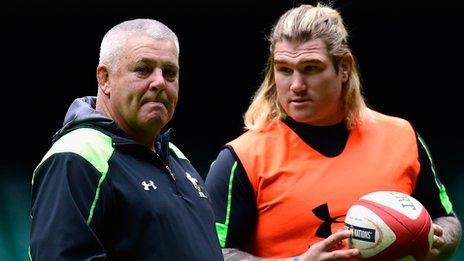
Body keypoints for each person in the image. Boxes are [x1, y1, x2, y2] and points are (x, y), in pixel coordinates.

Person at [205, 3, 461, 260]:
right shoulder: (242, 158)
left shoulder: (401, 137)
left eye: (311, 68)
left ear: (345, 67)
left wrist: (434, 239)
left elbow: (448, 220)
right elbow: (209, 253)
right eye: (284, 69)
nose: (296, 85)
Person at [29, 18, 223, 260]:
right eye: (143, 69)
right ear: (104, 79)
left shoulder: (176, 157)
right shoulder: (76, 157)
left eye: (170, 73)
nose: (160, 82)